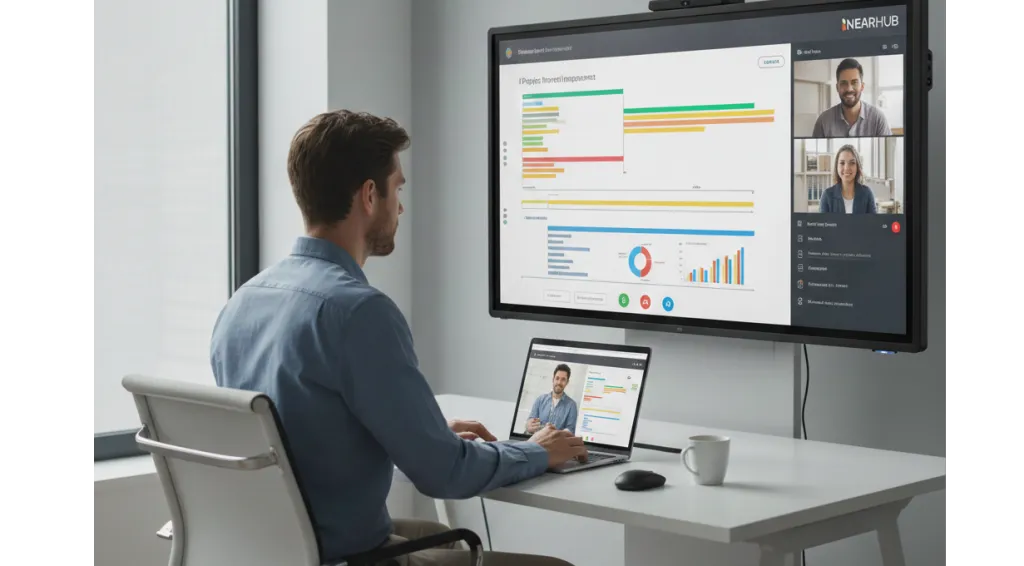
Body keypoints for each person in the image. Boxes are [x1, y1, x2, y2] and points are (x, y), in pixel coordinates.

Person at [209, 110, 585, 566]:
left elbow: (302, 434)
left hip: (277, 550)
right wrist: (535, 452)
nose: (400, 206)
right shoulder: (359, 313)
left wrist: (414, 433)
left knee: (439, 535)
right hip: (346, 555)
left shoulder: (242, 303)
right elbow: (446, 474)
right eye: (398, 188)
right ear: (370, 195)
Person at [811, 58, 892, 138]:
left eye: (854, 83)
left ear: (862, 86)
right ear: (837, 87)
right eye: (843, 83)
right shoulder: (823, 121)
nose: (849, 89)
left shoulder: (878, 119)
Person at [817, 144, 877, 214]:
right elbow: (823, 224)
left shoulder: (867, 194)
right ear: (836, 167)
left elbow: (874, 224)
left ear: (857, 167)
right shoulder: (827, 196)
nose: (846, 168)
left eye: (852, 163)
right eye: (842, 163)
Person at [526, 364, 579, 434]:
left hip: (556, 444)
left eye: (563, 379)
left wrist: (554, 433)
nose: (559, 382)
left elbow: (570, 430)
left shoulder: (572, 405)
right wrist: (529, 425)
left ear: (567, 382)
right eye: (557, 378)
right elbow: (530, 422)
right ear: (553, 379)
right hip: (536, 442)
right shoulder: (540, 400)